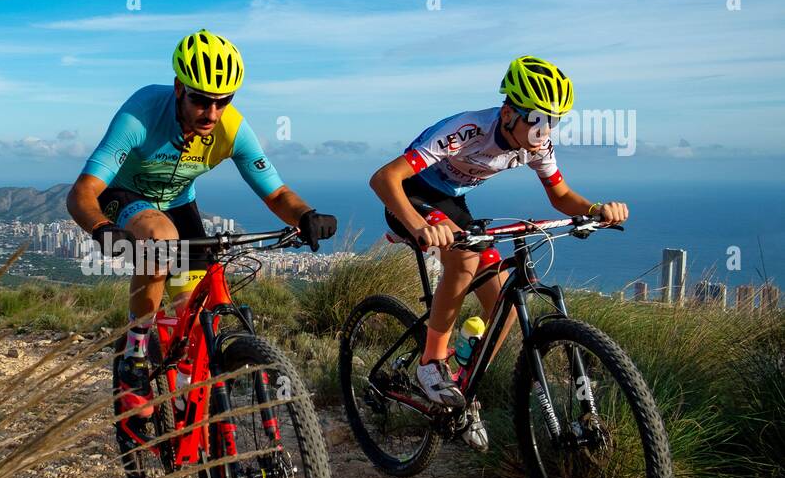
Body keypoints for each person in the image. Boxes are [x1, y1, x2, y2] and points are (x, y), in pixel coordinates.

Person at [67, 29, 337, 414]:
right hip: (125, 194)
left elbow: (276, 194)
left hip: (179, 202)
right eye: (201, 101)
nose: (211, 113)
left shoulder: (231, 128)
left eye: (222, 102)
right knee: (160, 240)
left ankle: (184, 392)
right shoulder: (140, 114)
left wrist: (306, 215)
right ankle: (135, 353)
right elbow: (82, 193)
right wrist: (102, 230)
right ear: (179, 88)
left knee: (191, 309)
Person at [369, 55, 628, 445]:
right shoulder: (467, 130)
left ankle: (464, 391)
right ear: (508, 113)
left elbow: (560, 195)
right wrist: (419, 225)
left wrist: (594, 210)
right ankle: (431, 364)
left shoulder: (538, 146)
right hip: (408, 199)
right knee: (465, 256)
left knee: (502, 298)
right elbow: (384, 178)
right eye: (537, 118)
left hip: (451, 206)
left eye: (553, 120)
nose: (544, 129)